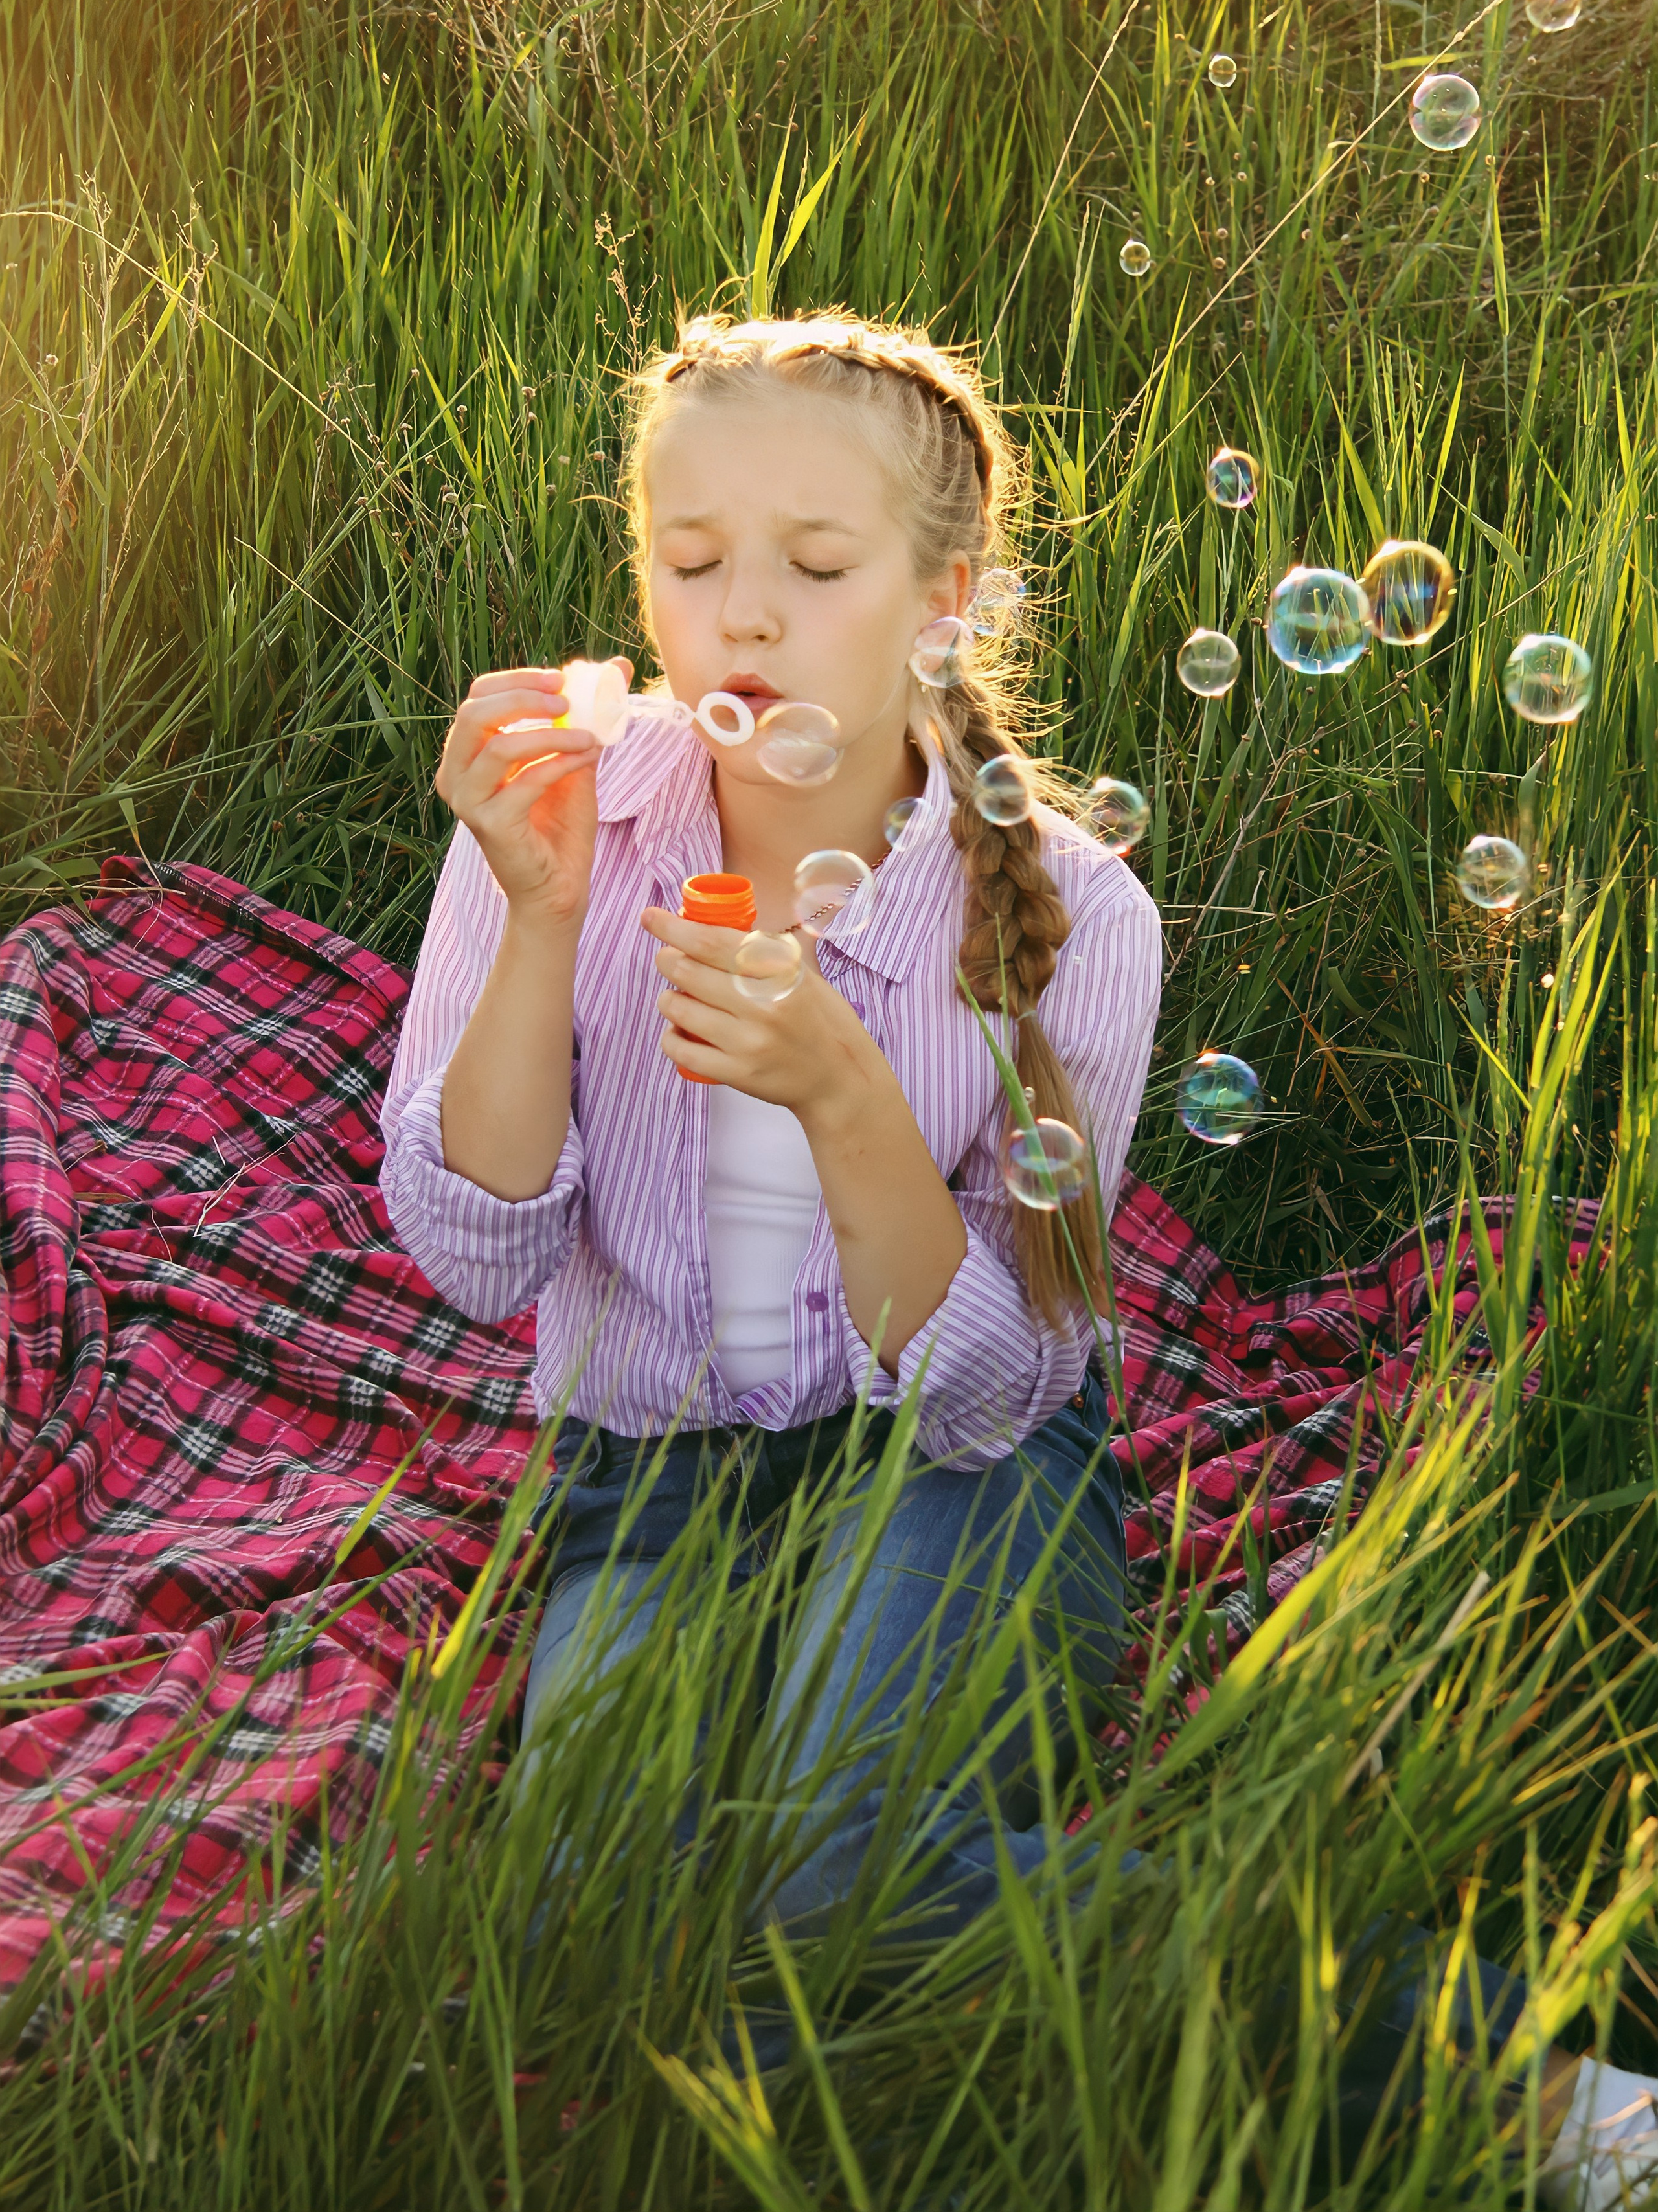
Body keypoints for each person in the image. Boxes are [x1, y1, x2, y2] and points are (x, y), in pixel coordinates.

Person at [379, 310, 1653, 2201]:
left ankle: (1522, 2093)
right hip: (645, 1474)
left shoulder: (1074, 914)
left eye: (817, 566)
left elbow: (994, 1383)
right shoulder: (564, 820)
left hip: (956, 1466)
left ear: (944, 603)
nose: (742, 614)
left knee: (837, 1884)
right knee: (590, 1933)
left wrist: (842, 1092)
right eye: (689, 557)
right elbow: (477, 1258)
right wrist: (546, 912)